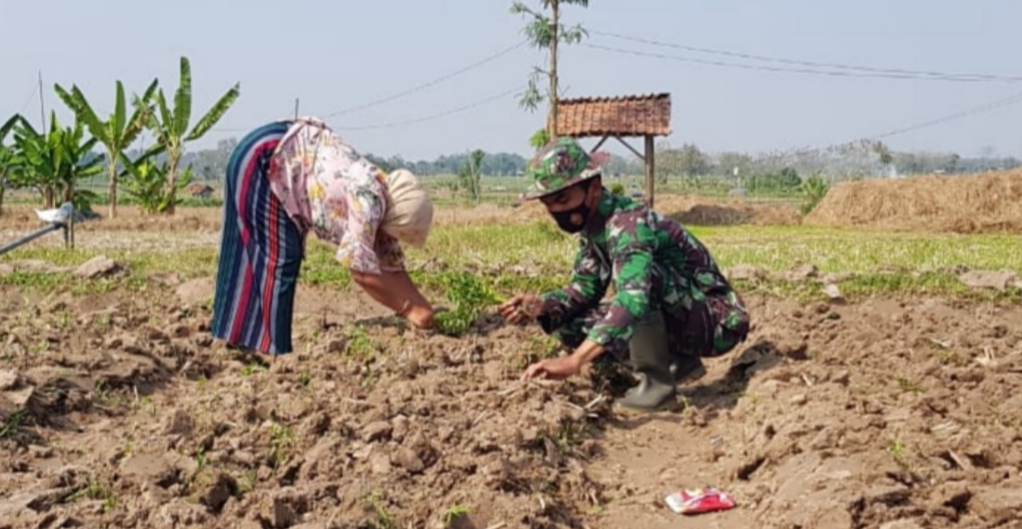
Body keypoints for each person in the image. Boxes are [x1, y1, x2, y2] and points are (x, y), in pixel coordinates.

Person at [498, 137, 751, 411]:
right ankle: (677, 361)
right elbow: (585, 287)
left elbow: (635, 297)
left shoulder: (628, 224)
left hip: (717, 321)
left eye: (562, 198)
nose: (556, 210)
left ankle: (658, 384)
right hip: (686, 314)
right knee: (565, 321)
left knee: (641, 281)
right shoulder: (594, 227)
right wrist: (543, 305)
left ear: (593, 187)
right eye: (548, 203)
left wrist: (575, 361)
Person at [211, 116, 437, 356]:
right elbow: (360, 272)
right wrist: (408, 308)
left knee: (271, 255)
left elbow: (393, 268)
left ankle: (241, 340)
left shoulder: (383, 206)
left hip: (275, 156)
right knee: (282, 257)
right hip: (264, 158)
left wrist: (423, 307)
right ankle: (273, 352)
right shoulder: (369, 198)